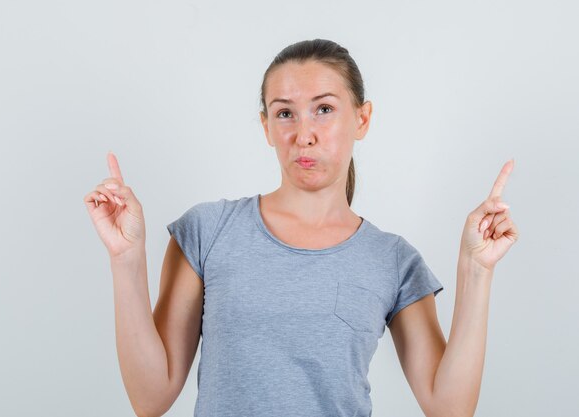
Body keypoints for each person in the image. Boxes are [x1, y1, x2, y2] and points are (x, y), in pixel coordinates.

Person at [84, 39, 520, 417]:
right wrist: (126, 258)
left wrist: (476, 270)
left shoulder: (393, 261)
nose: (304, 134)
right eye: (285, 114)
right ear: (267, 127)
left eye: (324, 109)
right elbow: (150, 398)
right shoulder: (207, 232)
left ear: (362, 119)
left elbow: (449, 408)